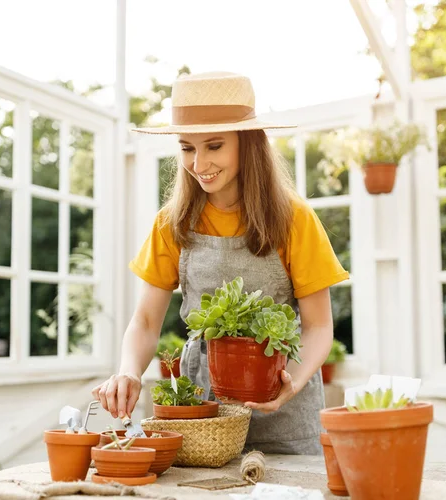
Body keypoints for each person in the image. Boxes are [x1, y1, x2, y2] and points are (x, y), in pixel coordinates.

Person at [92, 71, 349, 454]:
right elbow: (145, 321)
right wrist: (129, 371)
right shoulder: (172, 223)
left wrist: (289, 382)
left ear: (247, 144)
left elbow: (318, 327)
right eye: (186, 148)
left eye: (214, 146)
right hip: (203, 411)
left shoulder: (294, 218)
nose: (199, 163)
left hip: (286, 412)